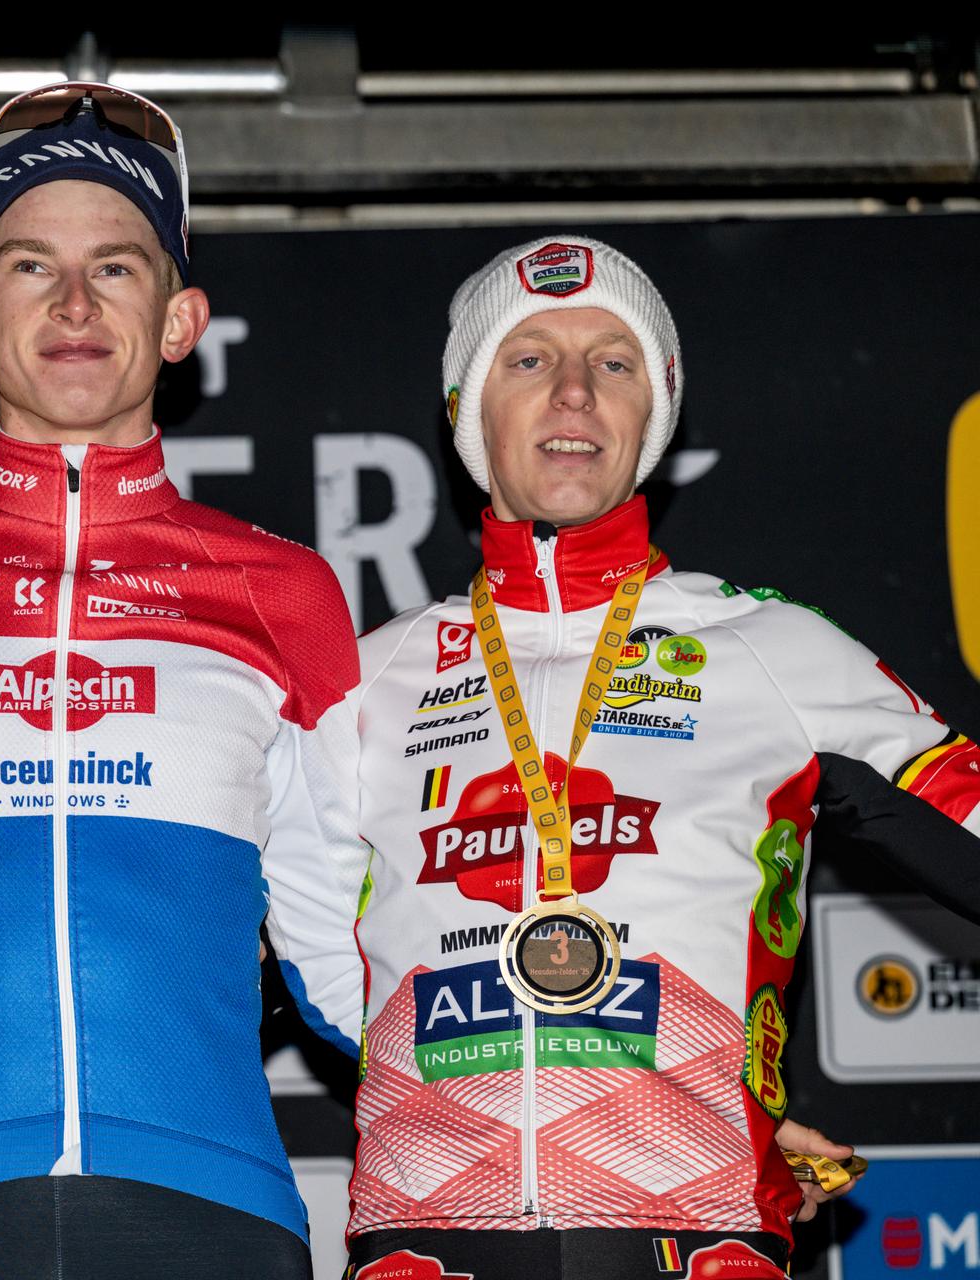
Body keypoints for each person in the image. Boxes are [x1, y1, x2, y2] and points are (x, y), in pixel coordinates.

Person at [0, 82, 365, 1279]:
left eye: (115, 268)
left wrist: (645, 1080)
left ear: (179, 318)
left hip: (211, 1202)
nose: (70, 304)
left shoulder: (285, 591)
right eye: (27, 266)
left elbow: (353, 959)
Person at [332, 235, 980, 1278]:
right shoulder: (367, 679)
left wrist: (714, 1105)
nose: (576, 390)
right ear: (467, 408)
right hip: (424, 1241)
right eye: (529, 357)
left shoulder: (772, 650)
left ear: (657, 414)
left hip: (697, 1236)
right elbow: (246, 952)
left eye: (616, 361)